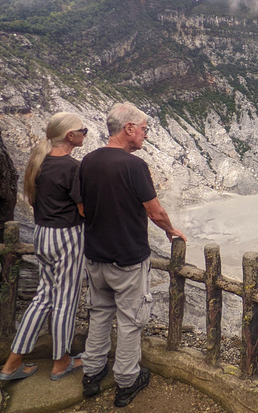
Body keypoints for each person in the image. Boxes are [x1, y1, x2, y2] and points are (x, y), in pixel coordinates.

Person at [79, 102, 186, 408]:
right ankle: (127, 381)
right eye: (143, 129)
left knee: (99, 313)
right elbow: (155, 211)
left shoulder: (88, 161)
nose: (145, 135)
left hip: (95, 255)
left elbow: (82, 208)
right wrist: (170, 230)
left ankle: (92, 373)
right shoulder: (134, 166)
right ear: (128, 129)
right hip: (127, 257)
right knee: (130, 320)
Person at [0, 113, 88, 381]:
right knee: (65, 300)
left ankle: (12, 364)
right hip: (67, 237)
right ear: (70, 136)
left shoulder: (39, 163)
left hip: (42, 234)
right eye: (82, 130)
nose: (85, 134)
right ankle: (61, 362)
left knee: (43, 297)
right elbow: (83, 209)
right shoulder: (72, 167)